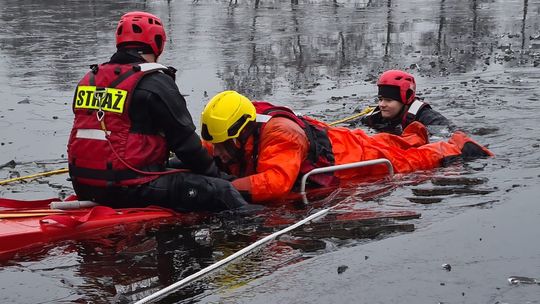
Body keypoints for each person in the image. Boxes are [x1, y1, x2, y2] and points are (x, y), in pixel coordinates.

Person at [67, 12, 247, 212]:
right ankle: (261, 231)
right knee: (222, 192)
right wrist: (221, 179)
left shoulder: (89, 79)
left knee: (178, 166)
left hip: (83, 186)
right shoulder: (154, 82)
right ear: (158, 42)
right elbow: (187, 146)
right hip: (127, 190)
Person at [200, 90, 493, 204]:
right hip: (328, 141)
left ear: (241, 132)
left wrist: (220, 187)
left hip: (343, 155)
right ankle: (414, 136)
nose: (219, 153)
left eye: (224, 147)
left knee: (403, 162)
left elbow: (275, 183)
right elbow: (206, 147)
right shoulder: (229, 130)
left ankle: (456, 147)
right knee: (390, 143)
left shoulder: (280, 135)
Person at [359, 70, 455, 136]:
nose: (382, 105)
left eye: (389, 100)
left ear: (405, 99)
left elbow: (451, 132)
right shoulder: (375, 117)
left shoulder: (426, 117)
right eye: (380, 99)